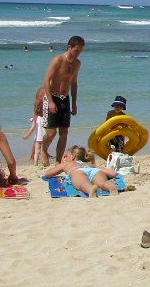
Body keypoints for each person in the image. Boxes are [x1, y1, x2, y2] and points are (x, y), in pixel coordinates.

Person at [41, 35, 85, 165]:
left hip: (65, 98)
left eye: (80, 51)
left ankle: (59, 161)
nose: (78, 54)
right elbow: (46, 80)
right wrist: (50, 101)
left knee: (64, 132)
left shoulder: (77, 64)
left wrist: (74, 103)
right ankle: (44, 150)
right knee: (51, 133)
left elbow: (74, 83)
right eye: (76, 50)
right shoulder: (58, 60)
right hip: (52, 96)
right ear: (69, 47)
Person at [42, 145, 119, 197]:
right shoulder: (89, 164)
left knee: (83, 184)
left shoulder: (67, 164)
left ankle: (90, 189)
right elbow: (112, 173)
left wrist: (46, 174)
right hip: (94, 171)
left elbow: (48, 174)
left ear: (72, 156)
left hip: (77, 172)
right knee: (101, 182)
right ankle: (109, 186)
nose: (65, 158)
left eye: (66, 156)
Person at [22, 87, 48, 166]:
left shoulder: (35, 118)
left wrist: (26, 136)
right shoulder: (46, 118)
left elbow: (32, 128)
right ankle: (44, 160)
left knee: (37, 150)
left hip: (37, 138)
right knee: (44, 149)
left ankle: (35, 162)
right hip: (44, 137)